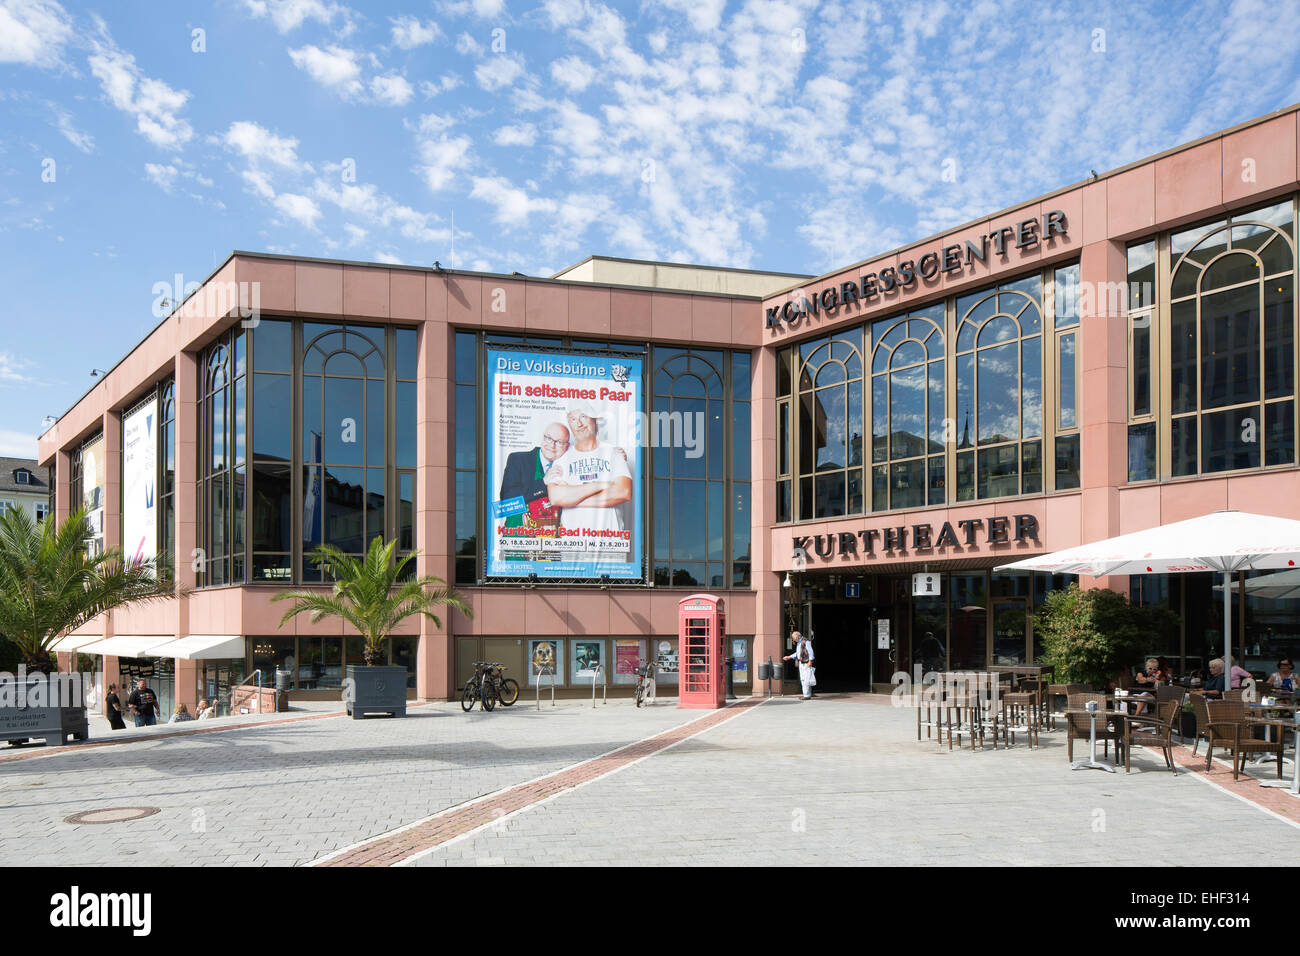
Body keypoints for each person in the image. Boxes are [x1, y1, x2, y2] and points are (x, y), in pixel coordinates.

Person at [545, 405, 633, 562]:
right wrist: (602, 484)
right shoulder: (562, 459)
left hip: (610, 549)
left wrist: (573, 499)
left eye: (583, 417)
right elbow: (557, 498)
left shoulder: (613, 453)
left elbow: (623, 492)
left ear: (596, 420)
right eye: (573, 419)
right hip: (574, 551)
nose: (579, 424)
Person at [499, 422, 569, 536]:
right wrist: (543, 483)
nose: (552, 445)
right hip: (519, 546)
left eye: (559, 442)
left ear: (567, 446)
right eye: (549, 438)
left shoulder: (570, 467)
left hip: (552, 548)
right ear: (543, 438)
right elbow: (506, 504)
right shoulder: (518, 460)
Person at [783, 631, 816, 699]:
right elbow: (798, 653)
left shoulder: (806, 641)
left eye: (793, 638)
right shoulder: (799, 643)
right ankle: (806, 694)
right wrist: (789, 657)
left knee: (806, 679)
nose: (793, 639)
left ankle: (806, 695)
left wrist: (810, 661)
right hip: (801, 662)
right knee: (803, 679)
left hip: (806, 663)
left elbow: (811, 652)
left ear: (797, 637)